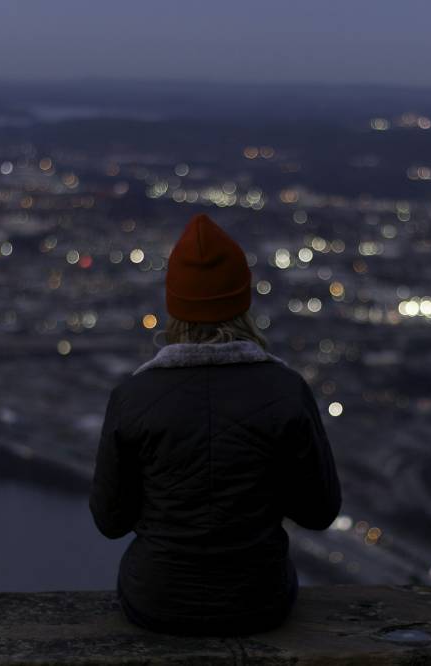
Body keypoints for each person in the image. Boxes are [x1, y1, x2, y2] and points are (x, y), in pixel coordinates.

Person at [89, 213, 342, 636]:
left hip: (156, 600)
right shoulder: (286, 390)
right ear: (243, 303)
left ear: (174, 307)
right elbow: (319, 512)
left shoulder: (132, 397)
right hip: (259, 599)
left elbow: (110, 521)